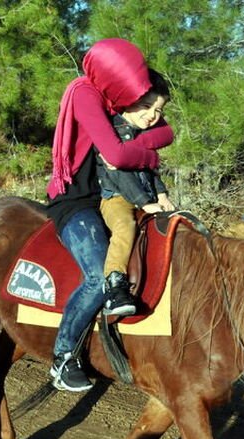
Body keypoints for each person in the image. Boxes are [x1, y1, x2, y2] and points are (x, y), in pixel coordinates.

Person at [46, 38, 174, 391]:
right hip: (78, 200)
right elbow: (116, 156)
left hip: (111, 195)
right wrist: (149, 156)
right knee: (96, 275)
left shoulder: (118, 103)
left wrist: (137, 139)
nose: (146, 110)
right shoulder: (86, 94)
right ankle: (63, 356)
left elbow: (166, 131)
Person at [96, 69, 176, 315]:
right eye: (146, 106)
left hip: (147, 198)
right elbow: (119, 173)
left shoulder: (144, 135)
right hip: (116, 198)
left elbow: (150, 168)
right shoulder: (112, 132)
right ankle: (114, 283)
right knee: (125, 227)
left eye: (158, 110)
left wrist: (161, 194)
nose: (152, 115)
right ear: (128, 100)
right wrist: (144, 202)